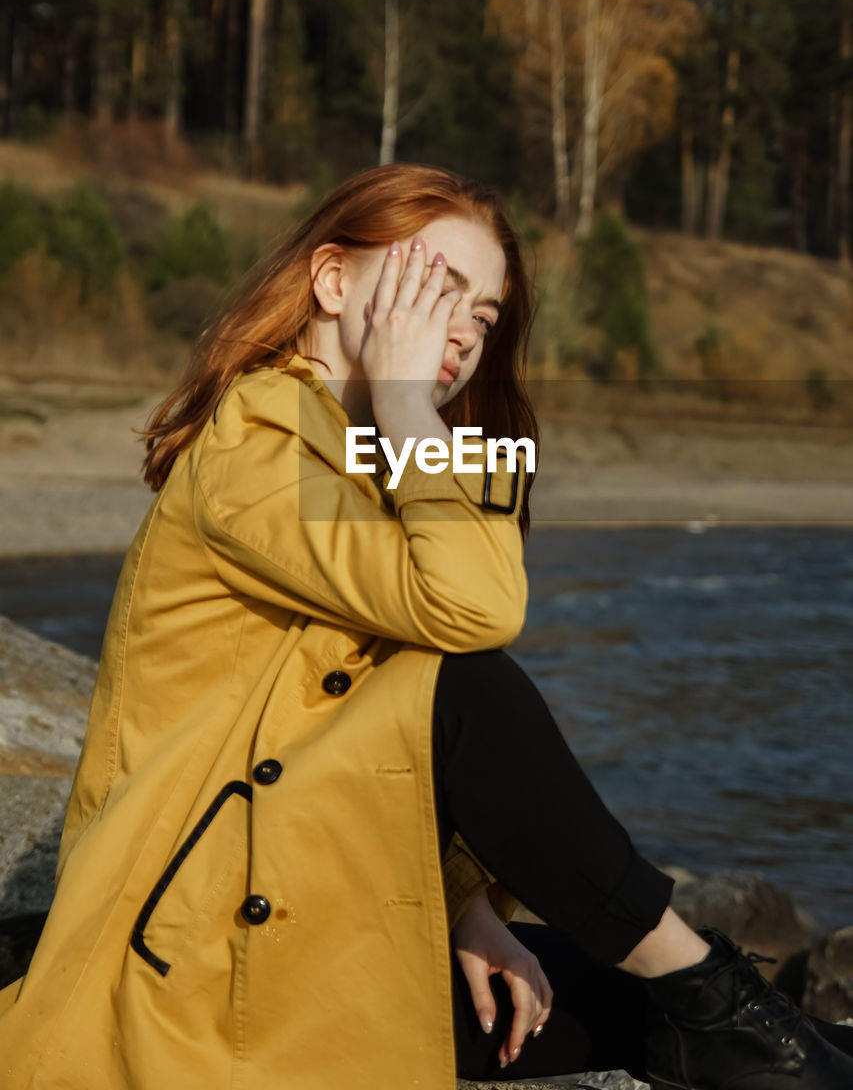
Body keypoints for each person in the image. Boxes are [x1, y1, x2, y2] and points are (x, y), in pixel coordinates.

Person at [0, 163, 851, 1090]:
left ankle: (715, 1003)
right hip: (193, 952)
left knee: (631, 1014)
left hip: (296, 913)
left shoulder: (356, 461)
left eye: (483, 316)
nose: (460, 331)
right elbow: (474, 618)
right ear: (332, 281)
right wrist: (409, 407)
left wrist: (457, 910)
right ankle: (706, 984)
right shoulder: (256, 451)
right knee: (465, 686)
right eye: (436, 286)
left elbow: (343, 708)